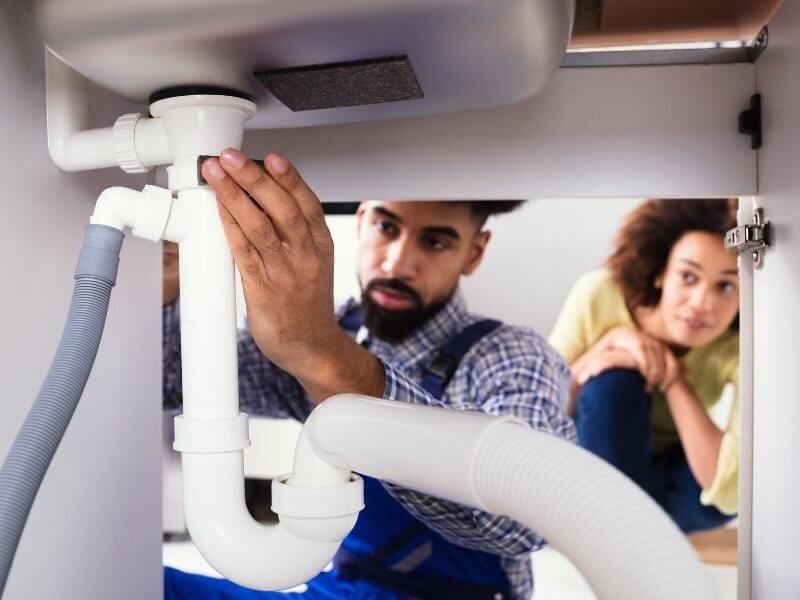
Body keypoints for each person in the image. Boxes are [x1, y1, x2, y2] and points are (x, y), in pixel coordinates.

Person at [162, 148, 576, 599]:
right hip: (340, 590)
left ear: (474, 253)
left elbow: (524, 522)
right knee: (144, 582)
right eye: (386, 227)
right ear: (361, 221)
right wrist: (167, 282)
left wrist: (328, 359)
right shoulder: (336, 327)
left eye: (435, 242)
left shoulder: (509, 356)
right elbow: (170, 384)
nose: (397, 264)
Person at [548, 198, 740, 533]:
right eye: (688, 276)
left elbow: (727, 489)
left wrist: (674, 380)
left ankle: (630, 531)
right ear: (661, 273)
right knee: (614, 381)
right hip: (588, 471)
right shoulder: (599, 293)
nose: (701, 303)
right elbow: (536, 417)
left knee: (724, 493)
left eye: (726, 286)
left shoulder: (737, 347)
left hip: (666, 481)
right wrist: (607, 347)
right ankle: (619, 533)